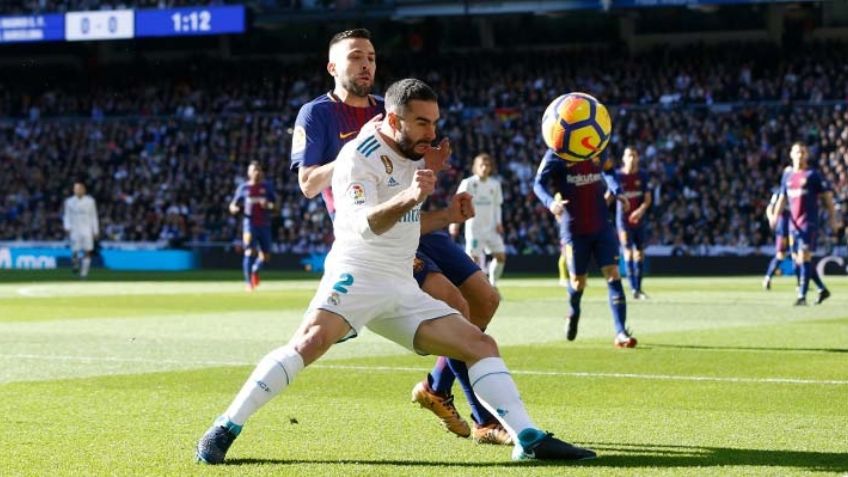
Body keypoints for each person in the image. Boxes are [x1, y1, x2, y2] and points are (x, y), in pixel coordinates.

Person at [196, 78, 597, 465]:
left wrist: (447, 214)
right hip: (358, 273)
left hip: (402, 284)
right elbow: (364, 225)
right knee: (309, 343)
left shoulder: (416, 152)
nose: (432, 132)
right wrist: (411, 194)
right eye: (422, 123)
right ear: (393, 121)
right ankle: (225, 427)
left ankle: (527, 437)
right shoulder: (357, 157)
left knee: (480, 344)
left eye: (435, 122)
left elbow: (409, 225)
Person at [289, 28, 507, 445]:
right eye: (355, 57)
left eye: (370, 56)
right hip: (377, 231)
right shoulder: (317, 115)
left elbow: (410, 161)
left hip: (415, 219)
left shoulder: (388, 108)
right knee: (453, 301)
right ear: (333, 67)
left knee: (486, 298)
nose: (366, 63)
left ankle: (436, 388)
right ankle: (485, 420)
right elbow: (308, 184)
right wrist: (359, 151)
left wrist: (432, 160)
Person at [533, 150, 637, 348]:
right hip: (573, 229)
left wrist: (618, 191)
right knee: (578, 282)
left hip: (601, 225)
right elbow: (538, 184)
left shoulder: (597, 145)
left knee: (613, 274)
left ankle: (621, 332)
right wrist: (550, 202)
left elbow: (609, 170)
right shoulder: (555, 154)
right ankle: (573, 311)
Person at [770, 143, 840, 306]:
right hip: (793, 225)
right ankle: (822, 289)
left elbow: (827, 199)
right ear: (791, 154)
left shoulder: (812, 175)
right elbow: (782, 199)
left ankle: (802, 296)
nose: (800, 155)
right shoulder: (787, 176)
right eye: (797, 152)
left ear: (807, 155)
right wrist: (775, 215)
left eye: (803, 152)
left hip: (809, 222)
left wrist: (832, 219)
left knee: (804, 256)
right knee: (798, 261)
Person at [450, 153, 506, 287]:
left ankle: (492, 284)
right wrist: (455, 223)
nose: (485, 168)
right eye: (482, 165)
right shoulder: (468, 183)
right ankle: (470, 287)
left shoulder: (495, 184)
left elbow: (497, 205)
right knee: (472, 260)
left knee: (501, 257)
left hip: (492, 228)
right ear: (476, 167)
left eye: (487, 165)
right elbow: (458, 202)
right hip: (475, 228)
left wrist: (499, 222)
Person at [229, 161, 276, 292]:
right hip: (249, 225)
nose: (256, 172)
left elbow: (276, 205)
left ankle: (255, 269)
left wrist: (269, 206)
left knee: (265, 256)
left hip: (265, 225)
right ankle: (248, 283)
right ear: (249, 173)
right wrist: (234, 208)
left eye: (258, 170)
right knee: (249, 252)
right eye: (254, 170)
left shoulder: (267, 187)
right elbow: (233, 205)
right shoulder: (243, 188)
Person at [614, 147, 651, 299]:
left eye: (634, 156)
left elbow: (647, 199)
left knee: (640, 253)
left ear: (637, 158)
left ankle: (639, 288)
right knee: (628, 252)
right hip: (623, 220)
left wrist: (640, 211)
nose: (631, 158)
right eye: (629, 155)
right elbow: (610, 194)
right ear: (623, 158)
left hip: (639, 220)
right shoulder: (617, 176)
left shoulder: (642, 175)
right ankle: (634, 289)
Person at [762, 168, 795, 290]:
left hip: (796, 223)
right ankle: (768, 277)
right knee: (781, 254)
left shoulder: (797, 189)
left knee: (799, 254)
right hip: (784, 224)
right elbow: (770, 207)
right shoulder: (780, 191)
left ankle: (800, 283)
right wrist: (772, 218)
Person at [62, 180, 98, 278]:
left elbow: (94, 216)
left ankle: (84, 272)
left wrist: (95, 230)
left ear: (84, 190)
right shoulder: (69, 202)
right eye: (76, 189)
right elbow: (66, 215)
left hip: (87, 230)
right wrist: (67, 226)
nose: (78, 190)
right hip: (75, 230)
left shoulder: (90, 201)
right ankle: (76, 264)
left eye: (80, 188)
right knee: (75, 251)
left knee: (87, 251)